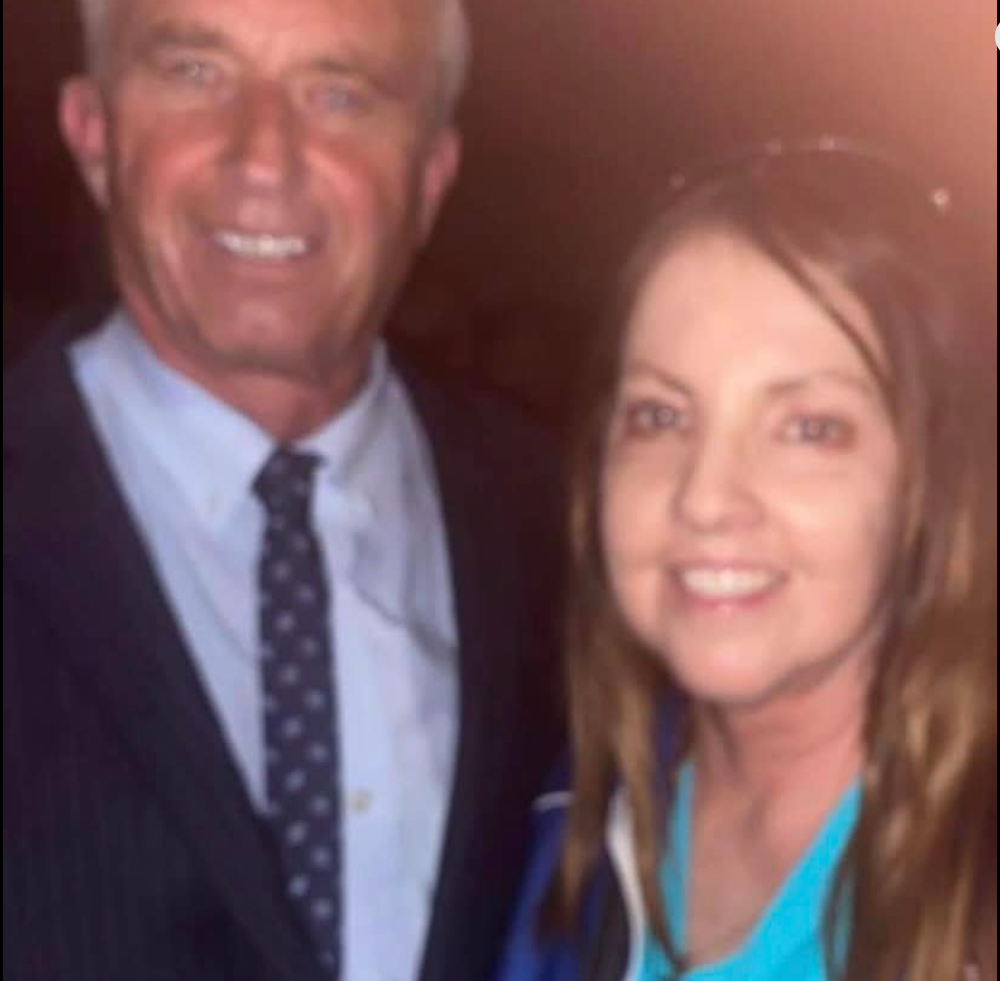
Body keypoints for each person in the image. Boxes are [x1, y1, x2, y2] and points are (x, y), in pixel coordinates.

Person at [2, 1, 565, 979]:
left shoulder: (565, 525)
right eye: (193, 74)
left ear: (429, 176)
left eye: (339, 94)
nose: (265, 154)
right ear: (92, 132)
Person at [497, 139, 996, 981]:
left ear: (934, 480)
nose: (705, 496)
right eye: (659, 416)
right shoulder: (566, 811)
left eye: (810, 428)